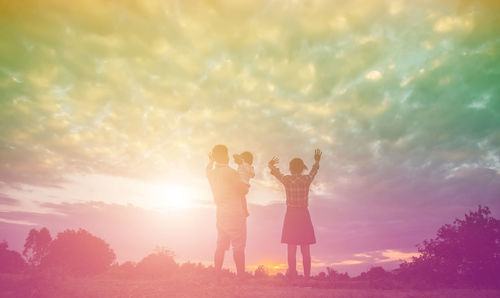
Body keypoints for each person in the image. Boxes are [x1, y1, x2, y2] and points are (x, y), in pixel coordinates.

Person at [268, 149, 322, 280]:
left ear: (291, 168)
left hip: (291, 216)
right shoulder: (306, 179)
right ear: (302, 168)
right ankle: (307, 277)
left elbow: (277, 173)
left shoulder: (287, 179)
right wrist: (316, 161)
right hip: (304, 215)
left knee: (291, 249)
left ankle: (292, 277)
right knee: (305, 250)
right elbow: (313, 172)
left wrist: (271, 165)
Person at [206, 145, 249, 277]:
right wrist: (242, 168)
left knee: (220, 245)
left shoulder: (211, 173)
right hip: (235, 212)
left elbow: (207, 168)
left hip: (220, 213)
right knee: (238, 245)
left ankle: (217, 274)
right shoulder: (230, 172)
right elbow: (243, 190)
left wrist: (211, 160)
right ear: (226, 156)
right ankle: (241, 275)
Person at [233, 152, 255, 217]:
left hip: (243, 184)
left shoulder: (248, 166)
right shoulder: (241, 165)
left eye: (242, 159)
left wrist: (242, 163)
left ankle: (244, 211)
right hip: (242, 185)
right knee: (242, 198)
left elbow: (253, 174)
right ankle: (245, 211)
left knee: (240, 197)